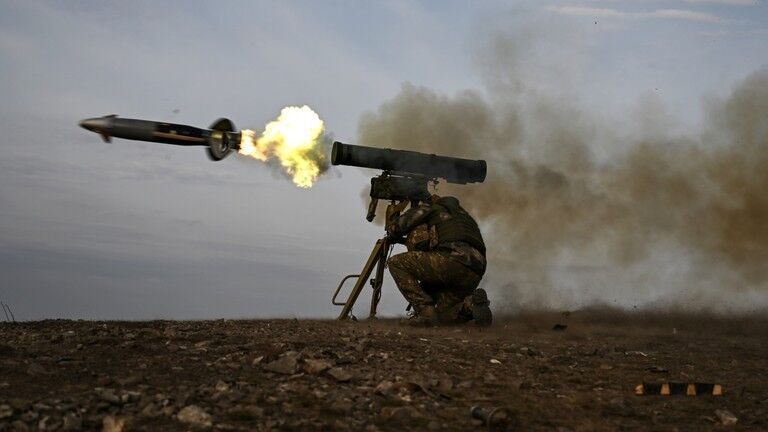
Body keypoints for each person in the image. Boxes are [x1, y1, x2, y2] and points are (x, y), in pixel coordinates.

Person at [386, 194, 492, 327]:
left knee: (396, 263)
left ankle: (424, 311)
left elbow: (398, 227)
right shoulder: (465, 217)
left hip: (451, 260)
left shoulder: (433, 208)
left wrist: (392, 223)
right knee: (441, 318)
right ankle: (470, 306)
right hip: (475, 271)